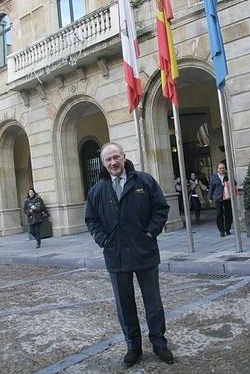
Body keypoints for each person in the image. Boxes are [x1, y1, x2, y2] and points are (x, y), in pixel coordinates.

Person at [85, 142, 174, 367]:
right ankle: (133, 347)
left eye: (116, 157)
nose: (113, 162)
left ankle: (159, 343)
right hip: (116, 255)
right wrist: (103, 240)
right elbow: (91, 220)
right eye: (108, 159)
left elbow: (161, 208)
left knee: (153, 302)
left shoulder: (144, 181)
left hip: (145, 251)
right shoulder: (97, 190)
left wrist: (152, 232)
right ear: (103, 164)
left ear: (123, 157)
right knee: (125, 305)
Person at [209, 162, 232, 237]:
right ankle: (221, 231)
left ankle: (227, 229)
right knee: (219, 214)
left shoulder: (228, 176)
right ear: (217, 169)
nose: (222, 169)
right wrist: (210, 197)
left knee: (228, 214)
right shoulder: (213, 177)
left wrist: (227, 182)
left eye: (223, 168)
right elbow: (211, 188)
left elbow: (234, 183)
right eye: (220, 168)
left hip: (227, 197)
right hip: (218, 198)